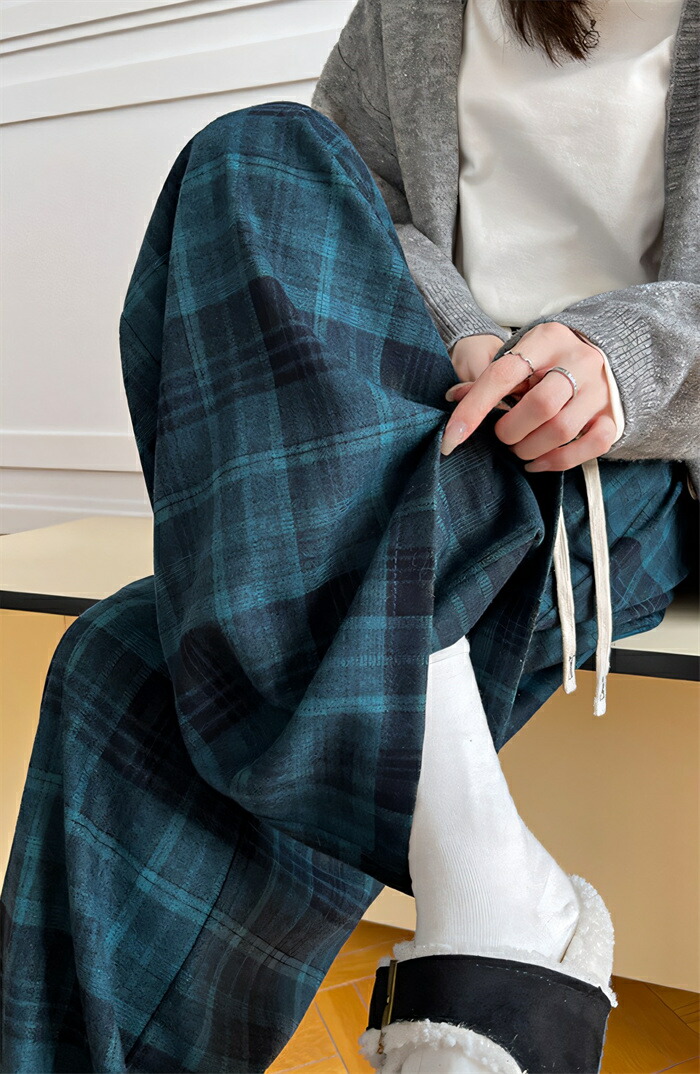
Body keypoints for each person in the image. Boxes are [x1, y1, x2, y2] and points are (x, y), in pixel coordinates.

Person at [1, 0, 697, 1072]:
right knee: (253, 152)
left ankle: (494, 893)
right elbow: (351, 212)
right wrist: (465, 335)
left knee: (128, 672)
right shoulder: (410, 12)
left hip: (614, 469)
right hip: (413, 421)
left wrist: (619, 360)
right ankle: (494, 883)